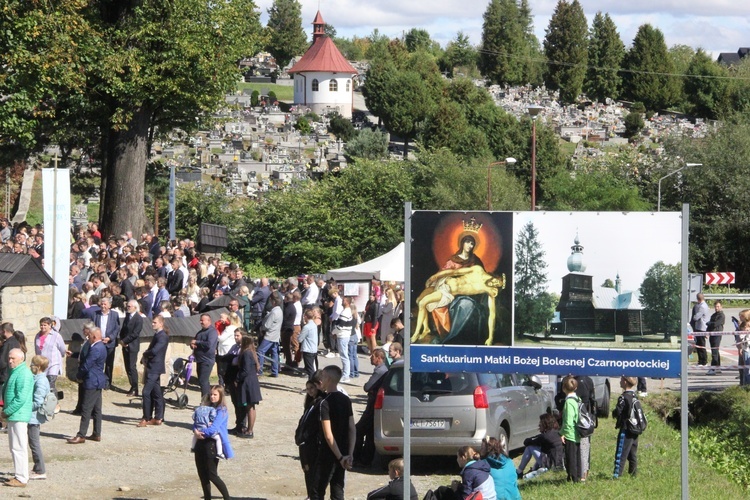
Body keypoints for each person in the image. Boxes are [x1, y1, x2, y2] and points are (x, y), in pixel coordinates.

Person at [412, 265, 505, 346]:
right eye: (496, 281)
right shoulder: (478, 269)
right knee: (419, 300)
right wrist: (436, 276)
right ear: (495, 276)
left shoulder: (489, 290)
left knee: (422, 303)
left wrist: (490, 338)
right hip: (443, 281)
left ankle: (416, 334)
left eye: (497, 285)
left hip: (447, 291)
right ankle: (426, 328)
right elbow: (454, 272)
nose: (494, 284)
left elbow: (492, 315)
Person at [311, 365, 356, 500]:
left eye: (323, 377)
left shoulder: (324, 402)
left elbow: (328, 435)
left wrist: (340, 457)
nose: (321, 380)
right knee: (337, 490)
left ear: (328, 379)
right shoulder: (345, 399)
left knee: (317, 491)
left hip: (328, 454)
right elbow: (352, 428)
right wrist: (349, 454)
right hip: (343, 451)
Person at [68, 326, 107, 444]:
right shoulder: (101, 346)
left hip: (92, 380)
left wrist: (78, 375)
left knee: (86, 408)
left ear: (94, 337)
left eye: (89, 336)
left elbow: (87, 364)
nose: (88, 337)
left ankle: (81, 435)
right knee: (96, 409)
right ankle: (96, 433)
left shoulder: (96, 348)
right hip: (97, 380)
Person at [193, 385, 233, 500]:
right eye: (211, 394)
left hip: (211, 444)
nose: (212, 397)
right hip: (200, 443)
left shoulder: (222, 410)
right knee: (202, 474)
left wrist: (202, 433)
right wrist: (195, 431)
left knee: (212, 474)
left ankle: (227, 498)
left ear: (220, 396)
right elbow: (196, 421)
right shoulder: (205, 407)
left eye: (215, 394)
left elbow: (214, 428)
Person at [3, 348, 34, 487]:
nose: (10, 361)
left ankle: (21, 477)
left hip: (19, 414)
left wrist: (6, 411)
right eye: (9, 358)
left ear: (21, 359)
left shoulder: (24, 374)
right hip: (14, 414)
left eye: (13, 358)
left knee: (19, 447)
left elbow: (20, 398)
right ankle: (19, 475)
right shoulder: (15, 372)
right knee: (14, 447)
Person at [353, 348, 388, 468]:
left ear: (379, 358)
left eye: (373, 356)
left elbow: (367, 387)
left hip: (373, 405)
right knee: (369, 433)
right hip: (373, 404)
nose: (370, 358)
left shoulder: (380, 371)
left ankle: (356, 457)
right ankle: (365, 459)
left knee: (358, 430)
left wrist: (368, 387)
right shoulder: (382, 370)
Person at [296, 373, 324, 499]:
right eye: (307, 389)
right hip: (303, 444)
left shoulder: (319, 403)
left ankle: (312, 495)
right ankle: (309, 494)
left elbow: (314, 426)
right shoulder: (309, 404)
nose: (310, 391)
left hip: (311, 443)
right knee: (306, 469)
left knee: (311, 470)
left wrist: (304, 436)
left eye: (312, 388)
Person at [138, 315, 168, 427]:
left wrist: (145, 354)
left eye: (155, 322)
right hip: (152, 367)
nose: (152, 324)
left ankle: (146, 418)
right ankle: (158, 417)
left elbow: (154, 351)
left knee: (146, 392)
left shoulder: (162, 336)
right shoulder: (158, 335)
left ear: (161, 323)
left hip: (155, 368)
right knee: (157, 393)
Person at [34, 317, 70, 400]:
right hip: (42, 364)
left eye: (45, 325)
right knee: (43, 383)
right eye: (41, 325)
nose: (43, 327)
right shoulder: (37, 336)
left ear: (50, 325)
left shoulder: (56, 335)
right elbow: (36, 350)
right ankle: (45, 400)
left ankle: (53, 402)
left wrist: (64, 353)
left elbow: (62, 348)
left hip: (53, 363)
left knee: (51, 383)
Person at [28, 355, 51, 480]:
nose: (30, 366)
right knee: (33, 443)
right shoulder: (37, 378)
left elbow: (37, 402)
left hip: (34, 417)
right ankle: (37, 468)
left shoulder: (41, 381)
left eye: (32, 364)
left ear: (38, 367)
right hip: (32, 416)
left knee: (34, 443)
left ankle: (41, 470)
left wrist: (24, 407)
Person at [236, 331, 262, 438]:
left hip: (248, 382)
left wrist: (237, 379)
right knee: (250, 407)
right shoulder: (251, 352)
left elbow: (245, 370)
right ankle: (249, 429)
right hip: (251, 381)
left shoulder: (246, 353)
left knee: (250, 407)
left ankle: (250, 430)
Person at [613, 376, 639, 478]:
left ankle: (617, 474)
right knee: (632, 453)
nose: (620, 381)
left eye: (620, 380)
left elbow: (618, 411)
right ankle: (633, 473)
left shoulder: (623, 397)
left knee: (621, 452)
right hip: (635, 428)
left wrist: (614, 413)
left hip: (626, 428)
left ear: (624, 382)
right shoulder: (634, 396)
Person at [93, 297, 121, 388]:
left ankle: (107, 382)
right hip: (99, 342)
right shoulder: (96, 314)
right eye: (102, 304)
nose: (103, 306)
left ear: (109, 305)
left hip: (109, 343)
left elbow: (117, 328)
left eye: (105, 304)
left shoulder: (114, 315)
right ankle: (99, 380)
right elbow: (93, 327)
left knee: (109, 363)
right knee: (98, 363)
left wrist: (110, 338)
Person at [120, 300, 144, 396]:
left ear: (135, 307)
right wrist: (122, 340)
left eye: (130, 306)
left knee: (132, 367)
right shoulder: (127, 316)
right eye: (127, 306)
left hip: (132, 345)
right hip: (125, 345)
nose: (128, 307)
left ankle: (135, 388)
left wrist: (125, 341)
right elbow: (123, 330)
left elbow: (135, 333)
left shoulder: (138, 318)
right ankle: (132, 386)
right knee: (127, 367)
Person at [559, 375, 581, 483]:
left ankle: (573, 478)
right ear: (576, 388)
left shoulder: (568, 402)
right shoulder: (578, 399)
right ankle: (577, 476)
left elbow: (568, 421)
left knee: (570, 457)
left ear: (564, 388)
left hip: (570, 434)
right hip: (578, 432)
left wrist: (562, 433)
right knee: (577, 456)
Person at [191, 314, 218, 397]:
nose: (201, 322)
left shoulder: (212, 332)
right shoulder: (200, 332)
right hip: (199, 359)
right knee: (202, 381)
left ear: (209, 321)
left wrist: (197, 342)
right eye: (200, 320)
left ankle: (205, 401)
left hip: (207, 360)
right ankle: (208, 399)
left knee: (203, 381)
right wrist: (192, 345)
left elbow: (209, 344)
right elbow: (194, 342)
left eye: (203, 320)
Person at [575, 374, 596, 481]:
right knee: (586, 446)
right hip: (588, 417)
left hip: (580, 418)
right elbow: (593, 400)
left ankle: (582, 473)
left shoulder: (577, 382)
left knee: (581, 447)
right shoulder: (589, 380)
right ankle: (585, 471)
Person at [257, 292, 282, 377]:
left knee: (260, 351)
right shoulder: (279, 311)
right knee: (274, 353)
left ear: (273, 301)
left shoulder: (274, 312)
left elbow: (267, 325)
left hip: (270, 335)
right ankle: (275, 371)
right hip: (276, 335)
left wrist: (262, 328)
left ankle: (259, 370)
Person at [216, 313, 240, 386]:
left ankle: (223, 386)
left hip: (225, 351)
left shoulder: (229, 328)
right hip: (231, 349)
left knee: (222, 370)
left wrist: (217, 331)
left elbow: (221, 338)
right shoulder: (237, 326)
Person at [333, 297, 354, 383]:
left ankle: (346, 375)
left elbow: (340, 325)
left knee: (344, 356)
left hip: (343, 335)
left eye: (344, 300)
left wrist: (334, 333)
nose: (342, 301)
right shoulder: (345, 310)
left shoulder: (346, 311)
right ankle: (345, 373)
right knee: (344, 355)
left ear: (348, 302)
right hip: (342, 334)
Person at [298, 307, 321, 380]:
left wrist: (298, 335)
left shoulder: (307, 327)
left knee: (310, 369)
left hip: (308, 350)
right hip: (313, 349)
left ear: (305, 317)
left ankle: (312, 386)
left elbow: (300, 339)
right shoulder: (314, 325)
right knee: (312, 368)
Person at [691, 292, 710, 368]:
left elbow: (696, 317)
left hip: (701, 328)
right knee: (698, 345)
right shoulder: (701, 305)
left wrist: (694, 316)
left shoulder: (702, 307)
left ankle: (704, 361)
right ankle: (700, 360)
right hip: (699, 327)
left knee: (701, 345)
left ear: (698, 299)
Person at [707, 300, 726, 375]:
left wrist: (710, 323)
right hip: (712, 334)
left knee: (714, 351)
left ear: (721, 306)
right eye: (715, 306)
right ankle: (718, 367)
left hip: (717, 334)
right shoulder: (713, 315)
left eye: (718, 306)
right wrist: (706, 332)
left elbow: (715, 324)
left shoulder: (721, 315)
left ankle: (713, 368)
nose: (716, 308)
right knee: (715, 350)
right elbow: (709, 325)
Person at [348, 303, 361, 378]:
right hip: (355, 335)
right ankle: (356, 372)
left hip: (351, 336)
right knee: (354, 355)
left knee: (350, 356)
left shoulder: (350, 316)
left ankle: (352, 372)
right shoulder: (356, 316)